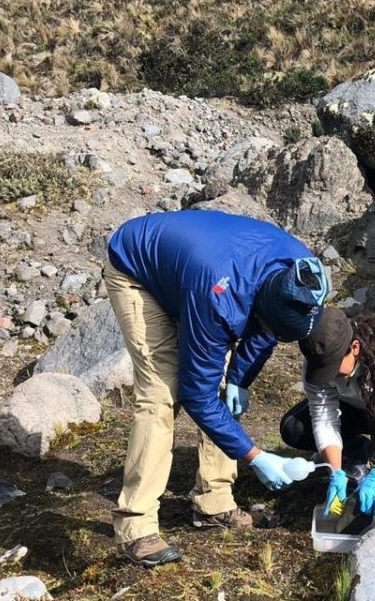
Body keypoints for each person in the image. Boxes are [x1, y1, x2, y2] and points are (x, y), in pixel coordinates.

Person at [104, 210, 330, 567]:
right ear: (261, 306)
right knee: (163, 393)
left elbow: (264, 333)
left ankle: (214, 502)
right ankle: (136, 526)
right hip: (138, 270)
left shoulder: (303, 275)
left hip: (198, 272)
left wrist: (239, 379)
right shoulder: (219, 298)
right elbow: (198, 394)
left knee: (224, 389)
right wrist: (255, 456)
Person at [280, 308, 375, 517]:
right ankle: (352, 457)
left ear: (355, 348)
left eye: (334, 367)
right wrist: (335, 471)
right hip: (353, 412)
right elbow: (323, 415)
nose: (330, 375)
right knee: (295, 428)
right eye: (324, 371)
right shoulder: (317, 360)